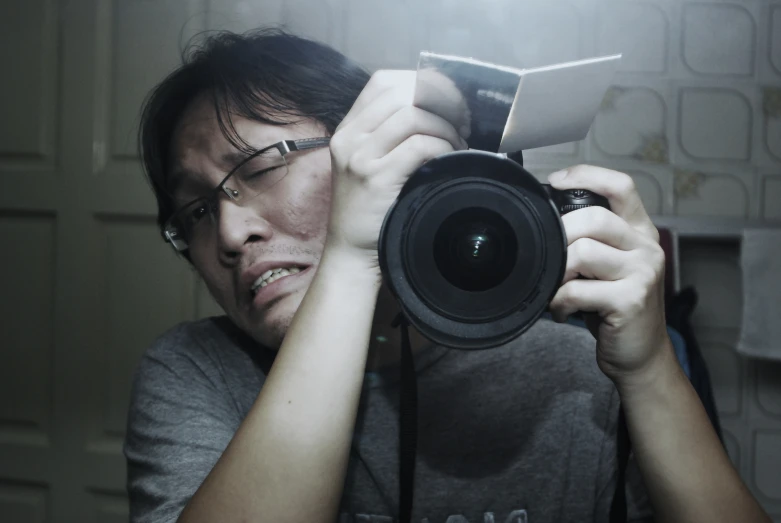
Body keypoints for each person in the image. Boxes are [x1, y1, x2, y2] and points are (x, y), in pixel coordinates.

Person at [124, 28, 771, 523]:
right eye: (197, 210)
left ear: (372, 145)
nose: (231, 236)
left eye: (260, 166)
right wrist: (349, 261)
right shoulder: (194, 371)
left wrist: (650, 367)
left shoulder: (576, 376)